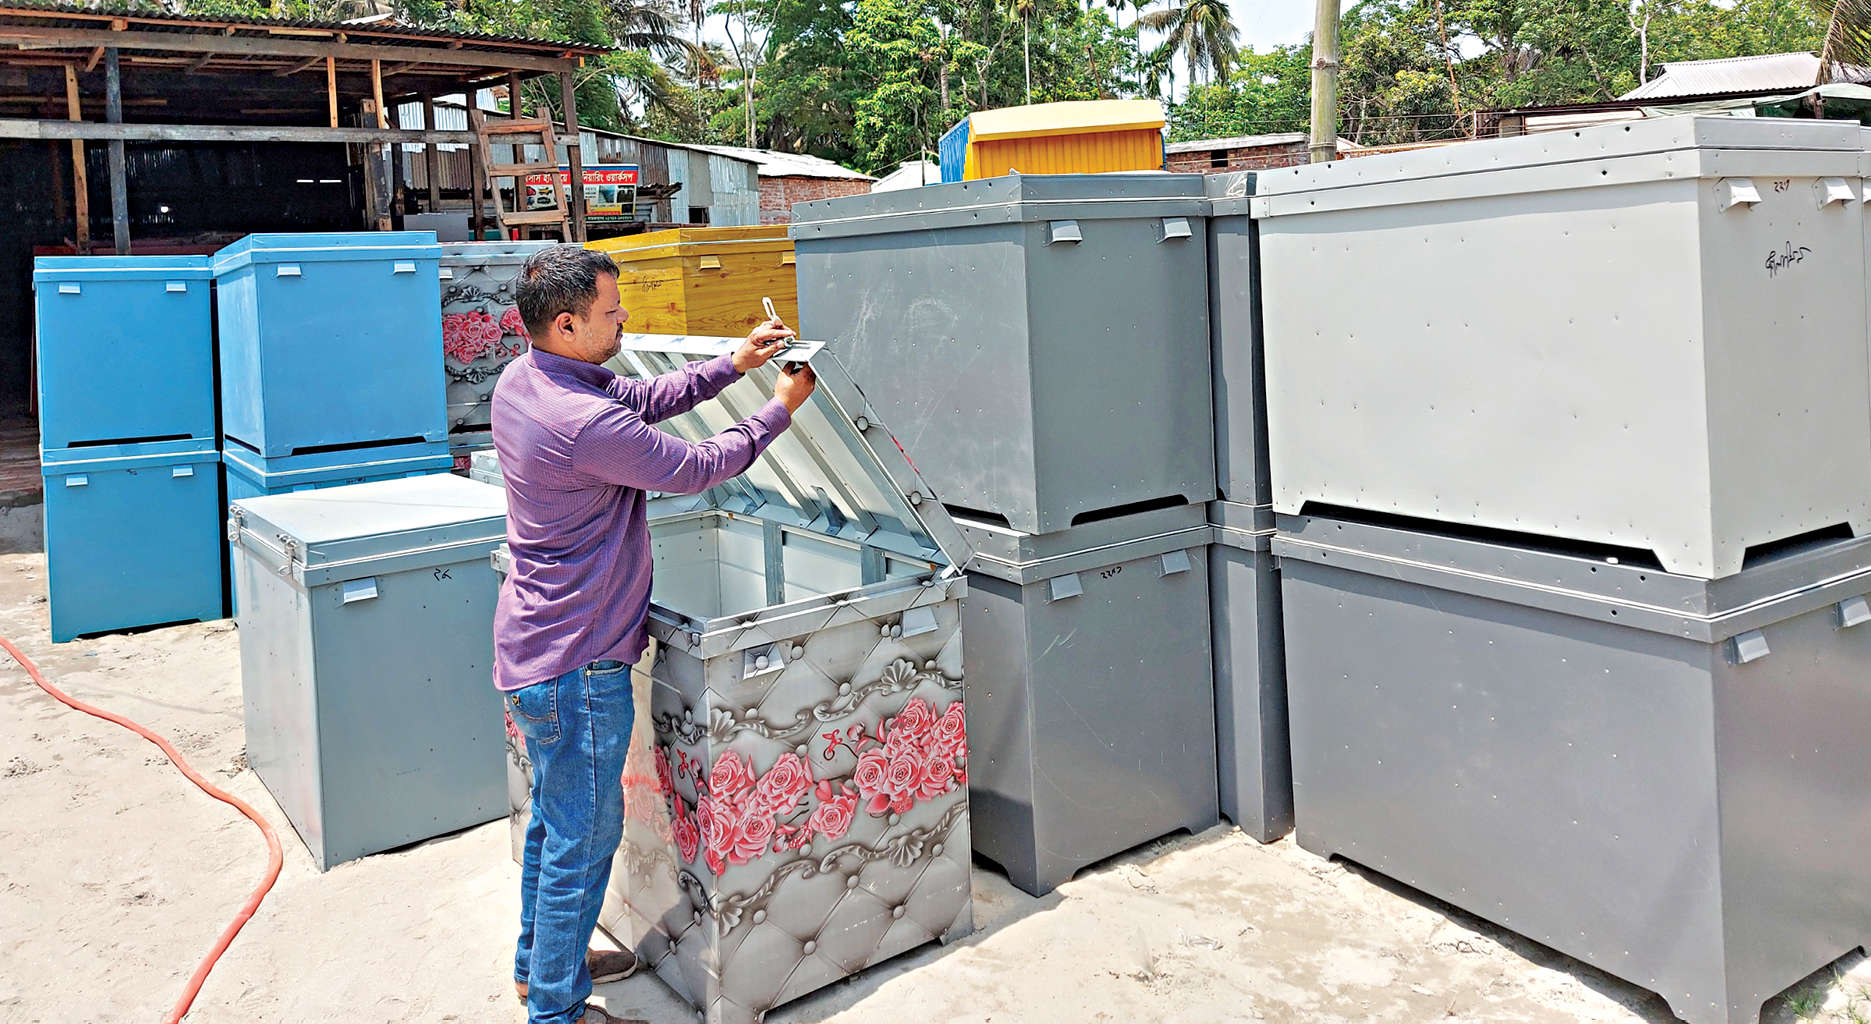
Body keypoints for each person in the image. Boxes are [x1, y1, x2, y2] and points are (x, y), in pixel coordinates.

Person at [491, 245, 817, 1024]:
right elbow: (696, 466)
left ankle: (541, 968)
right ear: (566, 324)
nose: (625, 319)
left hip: (536, 646)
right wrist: (779, 407)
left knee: (556, 823)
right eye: (611, 312)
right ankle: (557, 1011)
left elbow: (639, 398)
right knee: (581, 839)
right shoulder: (581, 421)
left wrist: (734, 363)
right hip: (575, 663)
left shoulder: (527, 379)